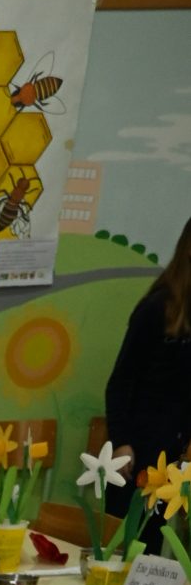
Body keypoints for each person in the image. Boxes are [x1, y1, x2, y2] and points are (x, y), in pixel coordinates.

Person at [103, 216, 191, 517]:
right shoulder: (156, 307)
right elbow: (120, 382)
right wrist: (121, 442)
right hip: (140, 451)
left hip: (179, 456)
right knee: (129, 534)